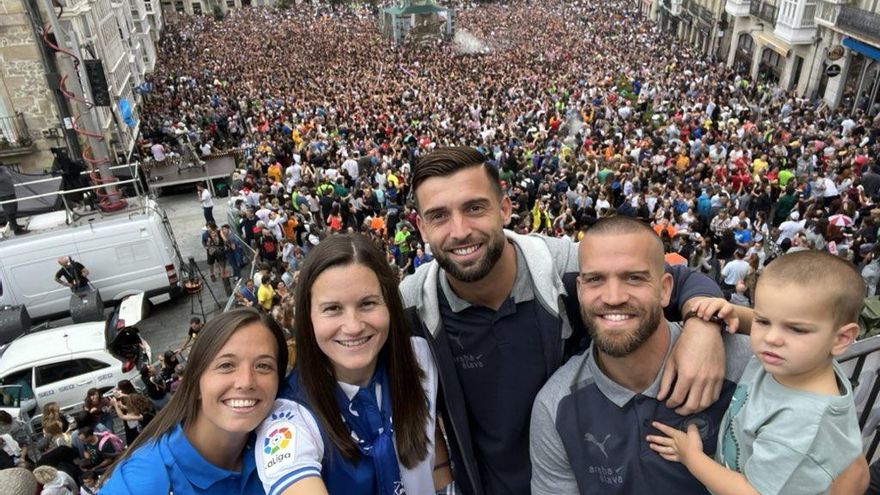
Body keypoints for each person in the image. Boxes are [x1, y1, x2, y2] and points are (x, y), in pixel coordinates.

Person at [401, 146, 728, 495]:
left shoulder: (568, 268)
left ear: (505, 208)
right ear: (421, 227)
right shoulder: (411, 306)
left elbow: (673, 280)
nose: (460, 230)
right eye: (439, 216)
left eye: (474, 208)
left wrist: (703, 325)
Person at [529, 216, 753, 494]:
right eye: (595, 279)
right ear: (579, 290)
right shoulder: (555, 406)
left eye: (634, 278)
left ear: (665, 289)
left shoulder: (745, 364)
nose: (613, 297)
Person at [647, 250, 864, 494]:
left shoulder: (802, 422)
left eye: (797, 330)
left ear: (842, 338)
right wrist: (730, 311)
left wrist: (691, 457)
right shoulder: (807, 361)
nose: (771, 339)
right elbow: (779, 317)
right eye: (763, 321)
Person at [255, 234, 450, 495]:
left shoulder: (420, 354)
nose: (354, 327)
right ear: (308, 317)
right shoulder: (290, 416)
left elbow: (435, 463)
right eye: (333, 308)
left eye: (367, 303)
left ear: (390, 305)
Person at [98, 308, 289, 494]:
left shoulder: (288, 447)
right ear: (196, 382)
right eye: (226, 365)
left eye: (263, 366)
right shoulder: (140, 483)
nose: (246, 382)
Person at [0, 165, 27, 234]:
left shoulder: (3, 168)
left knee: (14, 209)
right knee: (9, 212)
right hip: (4, 195)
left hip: (11, 192)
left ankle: (15, 225)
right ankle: (16, 230)